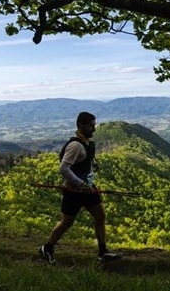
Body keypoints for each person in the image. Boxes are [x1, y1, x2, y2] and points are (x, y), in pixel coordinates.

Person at [38, 112, 121, 264]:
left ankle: (103, 253)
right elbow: (63, 168)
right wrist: (81, 184)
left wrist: (92, 166)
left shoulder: (87, 143)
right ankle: (47, 248)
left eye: (94, 126)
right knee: (67, 222)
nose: (94, 130)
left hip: (88, 188)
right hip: (74, 191)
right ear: (80, 126)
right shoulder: (75, 146)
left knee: (100, 217)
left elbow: (84, 161)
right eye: (91, 126)